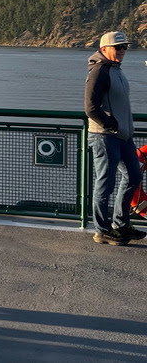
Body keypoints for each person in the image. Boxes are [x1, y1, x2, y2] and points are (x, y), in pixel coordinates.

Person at [85, 30, 147, 245]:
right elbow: (90, 107)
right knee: (105, 183)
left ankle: (121, 225)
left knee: (133, 176)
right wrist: (110, 124)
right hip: (104, 136)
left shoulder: (115, 70)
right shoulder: (99, 71)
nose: (122, 51)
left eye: (124, 47)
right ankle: (102, 230)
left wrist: (124, 128)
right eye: (118, 47)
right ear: (104, 49)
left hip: (123, 137)